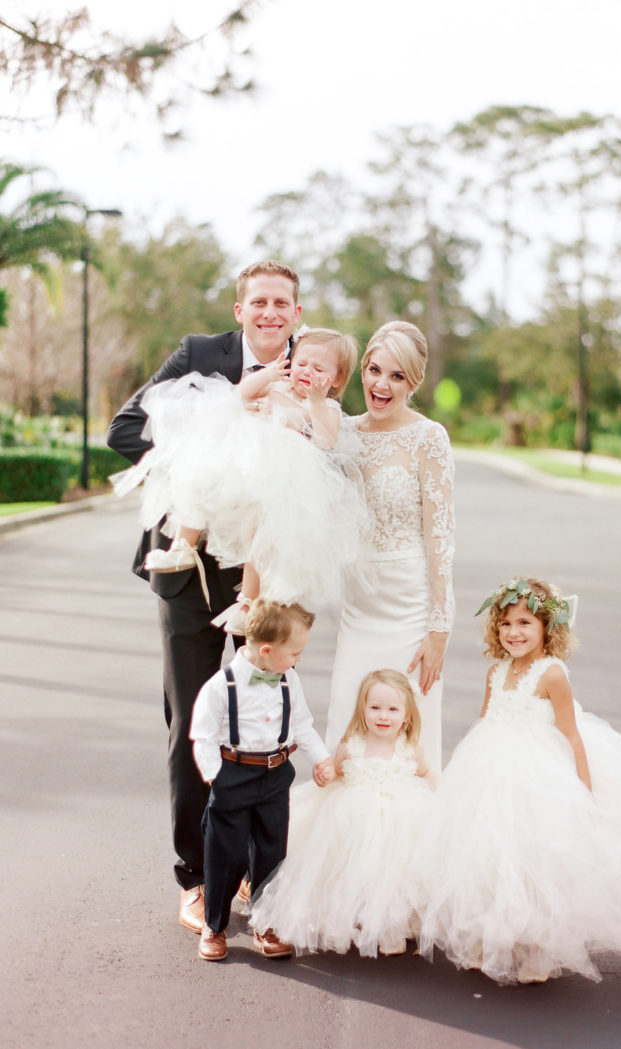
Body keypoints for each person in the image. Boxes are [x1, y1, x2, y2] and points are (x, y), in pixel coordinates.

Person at [106, 260, 302, 934]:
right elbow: (124, 431)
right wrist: (232, 405)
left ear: (296, 314)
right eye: (260, 301)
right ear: (241, 308)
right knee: (193, 717)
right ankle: (194, 875)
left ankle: (254, 869)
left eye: (283, 303)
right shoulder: (199, 357)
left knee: (265, 722)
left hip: (266, 575)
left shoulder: (315, 366)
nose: (271, 312)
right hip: (186, 570)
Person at [418, 576, 621, 985]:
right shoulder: (495, 672)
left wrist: (583, 788)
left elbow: (571, 732)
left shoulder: (552, 675)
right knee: (491, 855)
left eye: (525, 623)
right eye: (507, 624)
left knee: (537, 859)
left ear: (547, 628)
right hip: (491, 770)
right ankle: (490, 937)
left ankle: (540, 950)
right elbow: (485, 719)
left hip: (538, 776)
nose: (515, 632)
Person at [112, 327, 364, 634]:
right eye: (301, 363)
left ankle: (247, 601)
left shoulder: (325, 408)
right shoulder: (276, 386)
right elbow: (239, 394)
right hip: (241, 465)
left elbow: (326, 440)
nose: (306, 372)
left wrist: (312, 405)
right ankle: (182, 546)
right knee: (199, 474)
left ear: (336, 379)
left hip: (279, 482)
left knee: (258, 536)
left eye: (319, 368)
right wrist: (268, 374)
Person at [325, 321, 455, 771]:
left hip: (410, 609)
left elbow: (440, 536)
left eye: (397, 376)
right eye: (375, 370)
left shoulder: (428, 438)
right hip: (359, 606)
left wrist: (439, 627)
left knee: (408, 741)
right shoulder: (341, 432)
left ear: (413, 382)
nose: (382, 385)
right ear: (362, 369)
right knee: (348, 719)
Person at [250, 669, 436, 958]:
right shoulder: (351, 746)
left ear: (407, 714)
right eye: (375, 708)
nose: (383, 716)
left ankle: (391, 927)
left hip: (399, 819)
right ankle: (359, 921)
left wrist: (441, 804)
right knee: (354, 871)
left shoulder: (409, 748)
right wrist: (325, 774)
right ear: (362, 710)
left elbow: (426, 774)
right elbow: (335, 772)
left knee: (394, 874)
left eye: (393, 709)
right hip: (355, 818)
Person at [189, 599, 335, 961]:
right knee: (226, 854)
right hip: (233, 775)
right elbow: (203, 736)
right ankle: (215, 924)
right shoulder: (221, 687)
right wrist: (215, 778)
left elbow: (301, 724)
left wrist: (321, 759)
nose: (298, 660)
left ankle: (266, 922)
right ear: (266, 651)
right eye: (295, 653)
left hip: (275, 776)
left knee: (271, 853)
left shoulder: (289, 679)